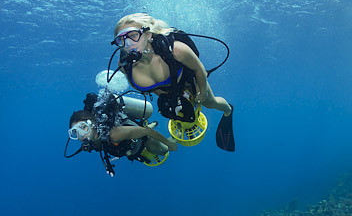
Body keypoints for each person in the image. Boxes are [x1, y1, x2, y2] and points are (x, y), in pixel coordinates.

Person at [110, 13, 235, 152]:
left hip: (188, 81)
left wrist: (202, 89)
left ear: (148, 35)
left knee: (211, 103)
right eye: (121, 40)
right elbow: (151, 87)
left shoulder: (176, 50)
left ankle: (228, 110)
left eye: (133, 36)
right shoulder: (124, 66)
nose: (128, 44)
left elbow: (199, 69)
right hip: (169, 93)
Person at [66, 91, 177, 176]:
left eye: (83, 127)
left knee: (163, 150)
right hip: (128, 147)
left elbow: (146, 132)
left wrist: (169, 144)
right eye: (75, 132)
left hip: (140, 138)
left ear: (92, 123)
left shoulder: (114, 134)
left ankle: (160, 130)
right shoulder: (90, 141)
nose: (81, 135)